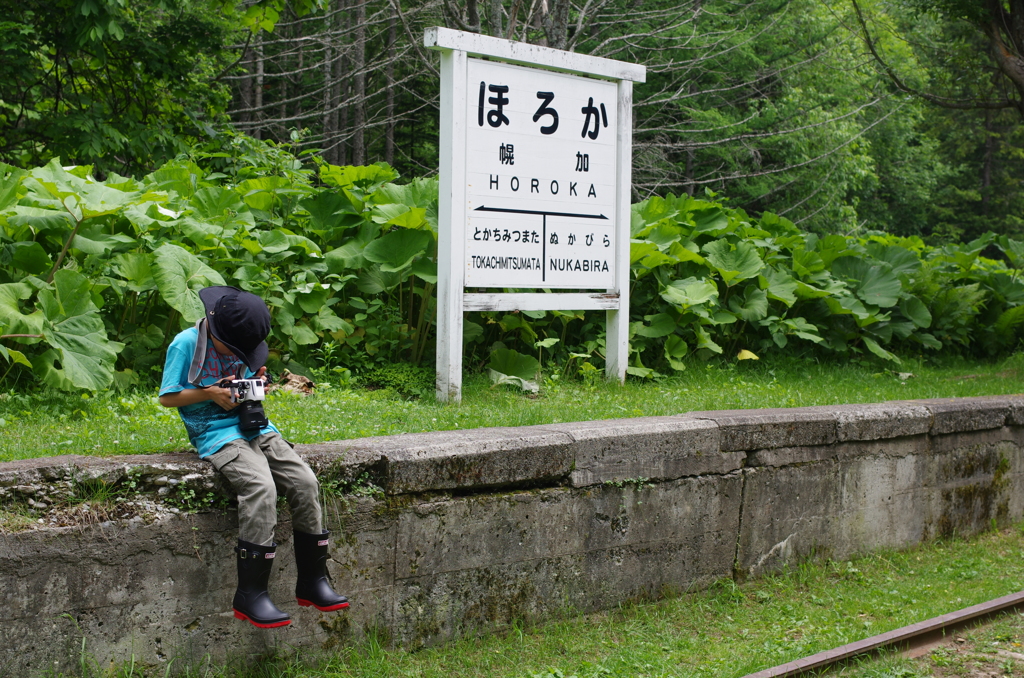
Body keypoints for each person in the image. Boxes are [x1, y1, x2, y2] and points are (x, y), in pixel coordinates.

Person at [158, 286, 348, 629]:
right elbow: (168, 398)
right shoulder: (185, 344)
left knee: (305, 481)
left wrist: (255, 381)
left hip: (255, 424)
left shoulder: (244, 338)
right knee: (261, 487)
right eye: (234, 350)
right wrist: (211, 393)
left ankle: (313, 580)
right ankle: (251, 594)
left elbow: (249, 378)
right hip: (215, 433)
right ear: (216, 332)